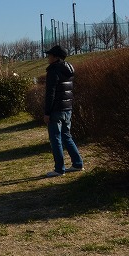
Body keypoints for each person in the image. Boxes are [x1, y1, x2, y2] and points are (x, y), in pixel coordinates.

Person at [43, 45, 84, 177]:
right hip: (67, 109)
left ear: (56, 57)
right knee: (66, 136)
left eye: (49, 55)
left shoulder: (53, 71)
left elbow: (50, 93)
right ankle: (77, 163)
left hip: (56, 110)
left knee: (55, 139)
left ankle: (59, 169)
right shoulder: (68, 69)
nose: (48, 57)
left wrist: (47, 113)